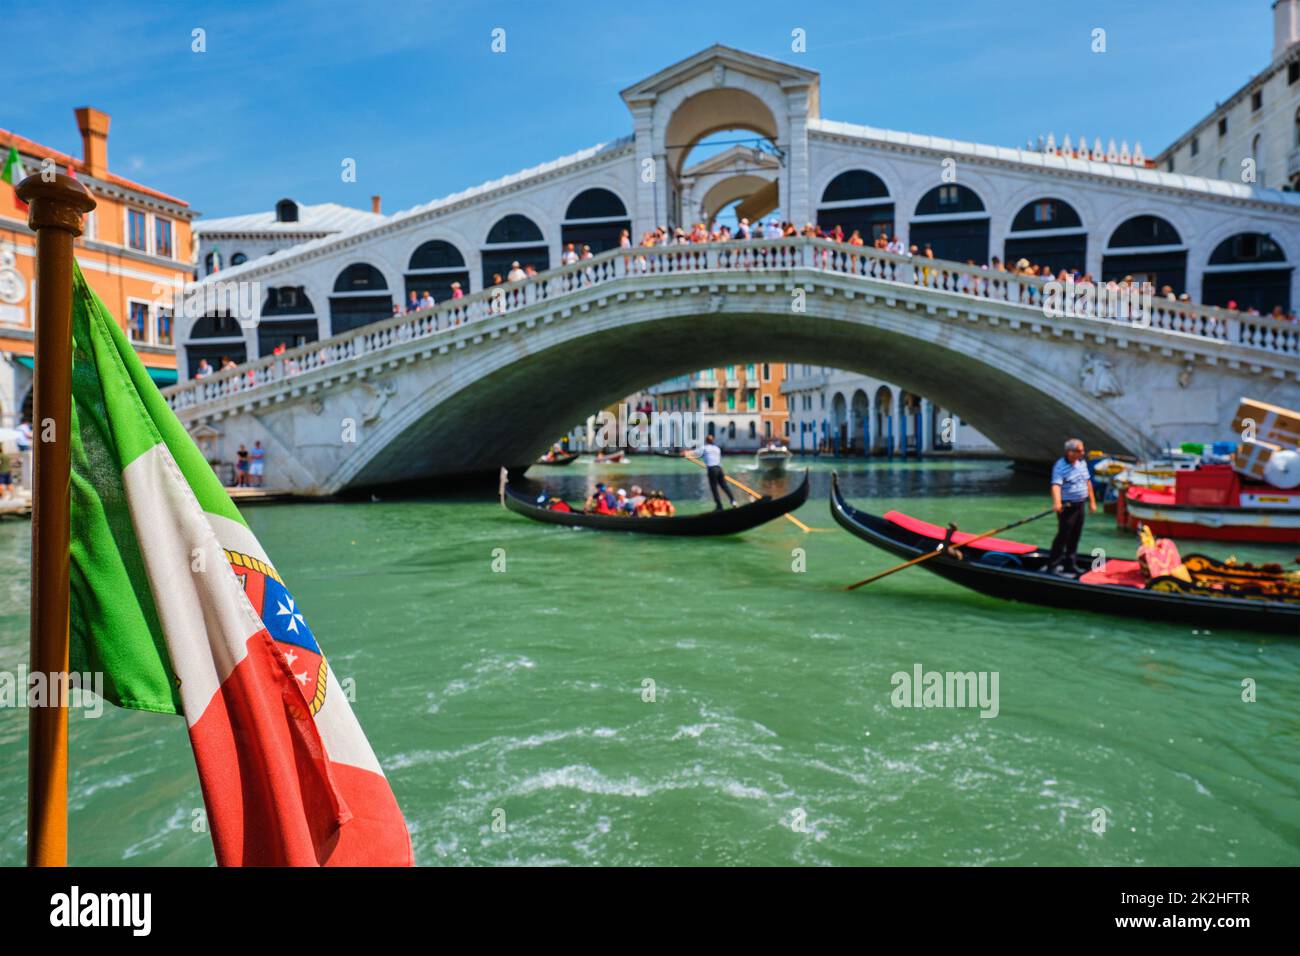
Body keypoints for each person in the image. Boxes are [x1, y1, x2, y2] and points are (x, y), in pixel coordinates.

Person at [1046, 437, 1097, 576]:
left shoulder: (1081, 463)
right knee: (1063, 535)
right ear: (1069, 452)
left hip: (1080, 504)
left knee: (1075, 535)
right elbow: (1056, 485)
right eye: (1079, 451)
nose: (1082, 453)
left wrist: (1092, 502)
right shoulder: (1060, 465)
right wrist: (1057, 502)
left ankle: (1070, 564)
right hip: (1067, 506)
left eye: (1082, 450)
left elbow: (1087, 482)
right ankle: (1053, 566)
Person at [684, 433, 736, 510]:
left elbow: (692, 453)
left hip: (712, 469)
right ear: (713, 441)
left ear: (706, 441)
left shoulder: (704, 448)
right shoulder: (717, 448)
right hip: (719, 469)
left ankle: (719, 506)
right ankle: (733, 501)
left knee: (714, 488)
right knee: (724, 486)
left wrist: (685, 453)